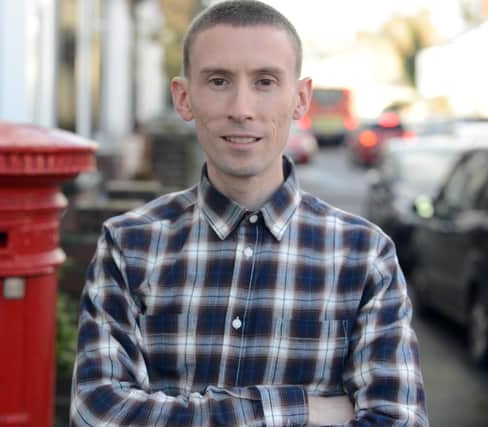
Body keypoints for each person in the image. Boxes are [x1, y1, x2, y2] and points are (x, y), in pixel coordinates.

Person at [70, 1, 428, 425]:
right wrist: (301, 409)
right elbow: (97, 414)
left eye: (265, 81)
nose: (241, 108)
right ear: (184, 98)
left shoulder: (365, 255)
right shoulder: (130, 245)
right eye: (218, 80)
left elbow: (397, 419)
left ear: (300, 98)